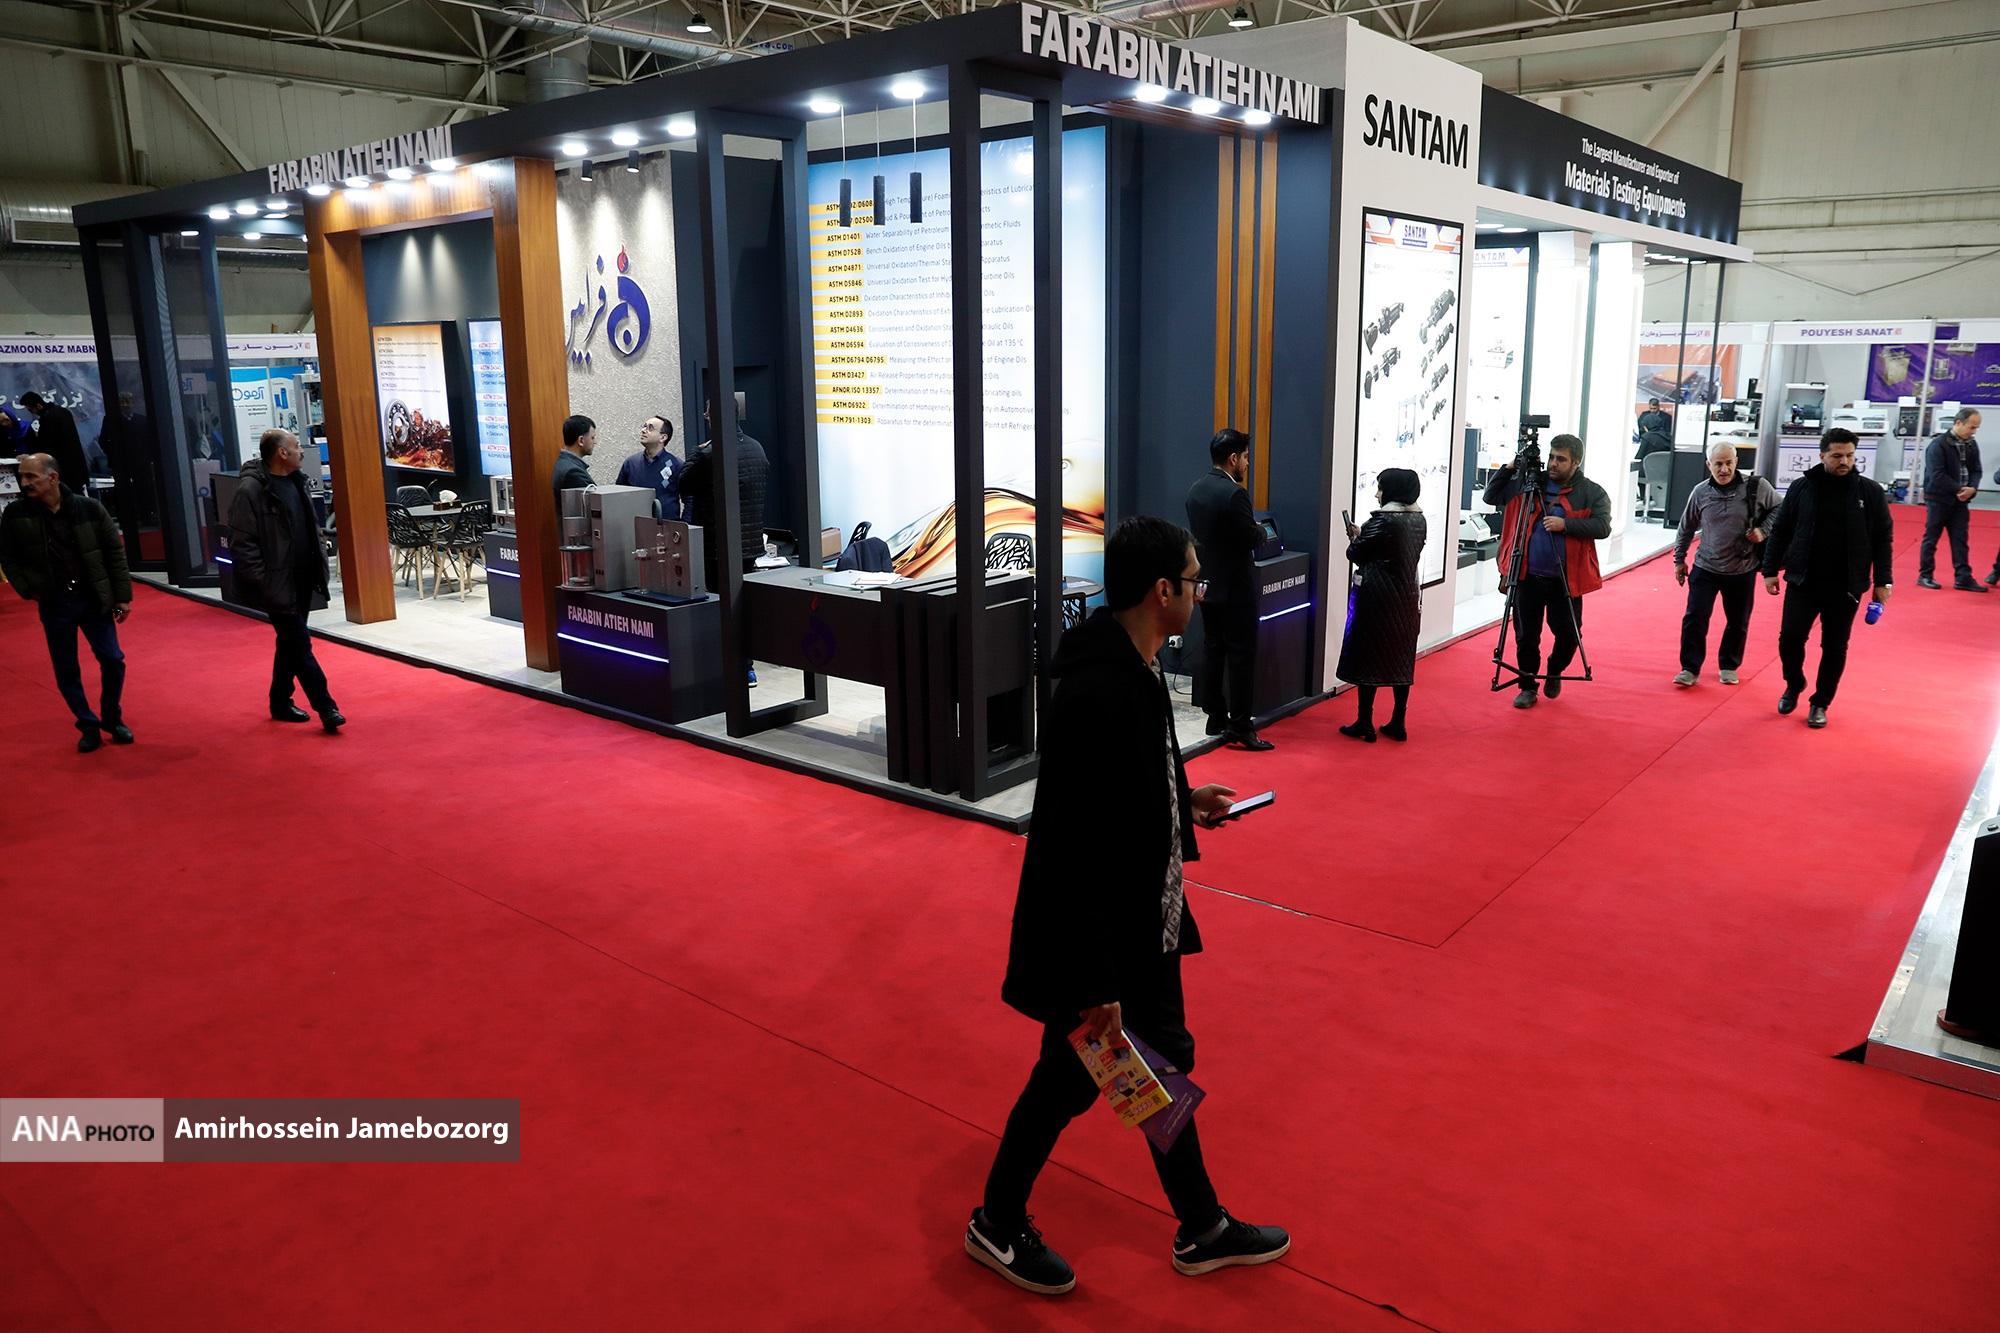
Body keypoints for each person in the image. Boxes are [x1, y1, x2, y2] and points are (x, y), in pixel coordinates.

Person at [967, 515, 1288, 1297]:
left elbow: (1129, 787)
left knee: (1142, 1066)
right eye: (1194, 579)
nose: (1200, 592)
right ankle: (999, 1219)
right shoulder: (1098, 690)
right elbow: (1074, 844)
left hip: (1143, 925)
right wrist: (1095, 979)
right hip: (1104, 942)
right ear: (1161, 590)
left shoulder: (1135, 668)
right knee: (1080, 1074)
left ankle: (1200, 1223)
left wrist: (1184, 801)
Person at [1761, 428, 1894, 730]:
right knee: (1790, 640)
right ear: (1822, 456)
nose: (1844, 461)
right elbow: (1780, 530)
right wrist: (1769, 570)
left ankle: (1820, 702)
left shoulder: (1870, 492)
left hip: (1846, 585)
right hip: (1803, 580)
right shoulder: (1801, 488)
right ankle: (1794, 683)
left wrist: (1883, 581)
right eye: (1836, 456)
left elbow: (1882, 539)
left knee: (1834, 647)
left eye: (1849, 455)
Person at [0, 453, 133, 752]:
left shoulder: (89, 508)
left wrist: (122, 596)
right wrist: (28, 589)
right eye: (22, 476)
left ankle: (112, 718)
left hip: (93, 599)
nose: (24, 482)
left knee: (113, 659)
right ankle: (87, 724)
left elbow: (114, 553)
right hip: (54, 603)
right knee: (66, 669)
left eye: (31, 476)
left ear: (53, 478)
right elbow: (7, 557)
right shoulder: (16, 514)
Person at [1483, 433, 1611, 709]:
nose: (1553, 463)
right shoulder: (1529, 483)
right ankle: (1527, 686)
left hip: (1565, 579)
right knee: (1526, 637)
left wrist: (1567, 525)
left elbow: (1603, 527)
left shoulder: (1592, 492)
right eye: (1551, 457)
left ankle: (1554, 669)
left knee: (1569, 635)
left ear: (1576, 462)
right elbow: (1491, 496)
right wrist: (1511, 467)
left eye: (1561, 459)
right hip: (1526, 576)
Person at [228, 429, 343, 733]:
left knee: (289, 643)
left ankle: (279, 701)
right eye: (296, 446)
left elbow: (311, 528)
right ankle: (327, 707)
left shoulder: (296, 482)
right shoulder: (250, 491)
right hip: (277, 585)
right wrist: (265, 584)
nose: (301, 451)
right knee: (300, 645)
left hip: (303, 578)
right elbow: (243, 545)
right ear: (282, 453)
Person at [1183, 428, 1271, 751]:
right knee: (1241, 655)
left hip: (1208, 584)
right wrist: (1261, 531)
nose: (1247, 464)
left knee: (1213, 648)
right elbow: (1250, 537)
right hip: (1236, 588)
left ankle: (1215, 715)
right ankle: (1241, 724)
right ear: (1233, 458)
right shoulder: (1235, 495)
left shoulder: (1196, 490)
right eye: (1246, 457)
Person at [1672, 441, 1779, 687]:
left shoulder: (1758, 487)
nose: (1724, 469)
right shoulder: (1700, 492)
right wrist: (1679, 559)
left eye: (1729, 463)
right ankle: (1689, 668)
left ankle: (1729, 665)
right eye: (1718, 464)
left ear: (1736, 462)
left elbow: (1780, 508)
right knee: (1695, 618)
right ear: (1708, 465)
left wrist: (1763, 530)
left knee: (1738, 621)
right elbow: (1686, 528)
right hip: (1705, 568)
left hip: (1743, 568)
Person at [679, 397, 770, 686]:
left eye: (707, 413)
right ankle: (747, 667)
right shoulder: (756, 447)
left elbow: (683, 483)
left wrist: (697, 452)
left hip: (716, 545)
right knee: (743, 607)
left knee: (719, 608)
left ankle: (724, 668)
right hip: (749, 545)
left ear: (712, 416)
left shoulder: (708, 453)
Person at [1337, 467, 1424, 742]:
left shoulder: (1383, 520)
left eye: (1380, 488)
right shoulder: (1419, 519)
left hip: (1375, 599)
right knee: (1401, 660)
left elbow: (1355, 553)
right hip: (1406, 599)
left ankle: (1365, 721)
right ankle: (1398, 721)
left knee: (1368, 658)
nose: (1377, 495)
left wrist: (1357, 536)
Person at [1917, 407, 1986, 592]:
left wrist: (1973, 488)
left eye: (1976, 428)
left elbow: (1977, 470)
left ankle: (1963, 577)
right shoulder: (1938, 445)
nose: (1974, 432)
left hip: (1961, 501)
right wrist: (1960, 489)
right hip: (1938, 499)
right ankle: (1925, 575)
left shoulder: (1971, 444)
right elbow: (1937, 475)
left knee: (1960, 540)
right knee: (1931, 538)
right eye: (1972, 427)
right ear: (1958, 423)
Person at [614, 413, 683, 520]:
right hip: (636, 524)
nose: (643, 430)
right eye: (644, 426)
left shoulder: (676, 464)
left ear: (663, 437)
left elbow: (689, 499)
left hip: (667, 525)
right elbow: (618, 495)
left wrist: (685, 524)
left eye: (650, 428)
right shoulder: (631, 463)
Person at [18, 391, 90, 494]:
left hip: (64, 469)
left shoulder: (49, 418)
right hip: (75, 466)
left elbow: (48, 445)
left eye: (30, 409)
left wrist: (31, 456)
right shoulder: (62, 412)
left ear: (38, 406)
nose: (32, 412)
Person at [553, 414, 596, 505]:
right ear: (581, 440)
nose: (595, 442)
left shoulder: (563, 463)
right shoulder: (573, 472)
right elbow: (594, 504)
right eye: (592, 438)